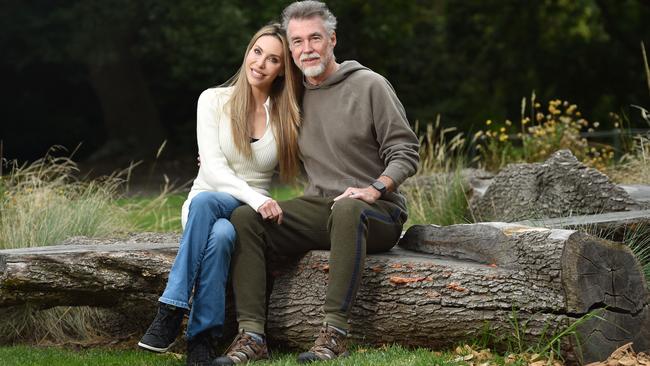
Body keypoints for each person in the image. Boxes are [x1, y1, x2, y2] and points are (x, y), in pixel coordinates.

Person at [212, 1, 420, 364]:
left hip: (377, 212)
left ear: (332, 40)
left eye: (315, 38)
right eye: (297, 41)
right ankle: (252, 336)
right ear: (290, 49)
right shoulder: (292, 97)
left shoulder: (370, 85)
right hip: (320, 208)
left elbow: (406, 151)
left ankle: (334, 333)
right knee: (245, 220)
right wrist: (216, 154)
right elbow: (261, 145)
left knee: (349, 208)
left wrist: (376, 188)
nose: (306, 49)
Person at [137, 23, 302, 366]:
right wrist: (259, 199)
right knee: (216, 223)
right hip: (207, 203)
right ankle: (201, 337)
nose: (260, 63)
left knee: (228, 226)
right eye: (257, 52)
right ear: (247, 52)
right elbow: (211, 169)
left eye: (273, 59)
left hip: (247, 214)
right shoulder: (213, 100)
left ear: (282, 69)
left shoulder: (286, 114)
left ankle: (170, 312)